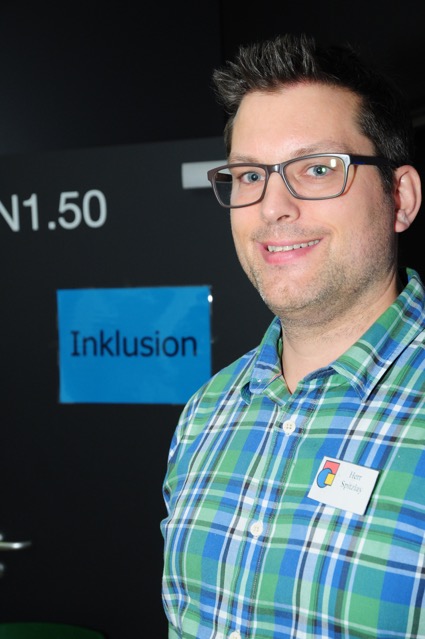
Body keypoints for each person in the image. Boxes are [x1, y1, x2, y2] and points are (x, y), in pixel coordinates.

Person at [161, 32, 425, 639]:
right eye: (249, 175)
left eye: (318, 168)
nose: (272, 207)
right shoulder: (205, 416)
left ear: (400, 198)